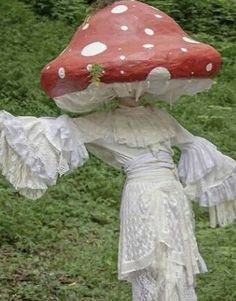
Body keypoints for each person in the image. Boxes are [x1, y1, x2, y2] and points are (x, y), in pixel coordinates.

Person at [0, 95, 235, 301]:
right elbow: (62, 131)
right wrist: (8, 125)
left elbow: (193, 145)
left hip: (173, 194)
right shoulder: (105, 120)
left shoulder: (160, 116)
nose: (132, 91)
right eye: (124, 86)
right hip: (142, 195)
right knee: (150, 263)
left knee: (177, 260)